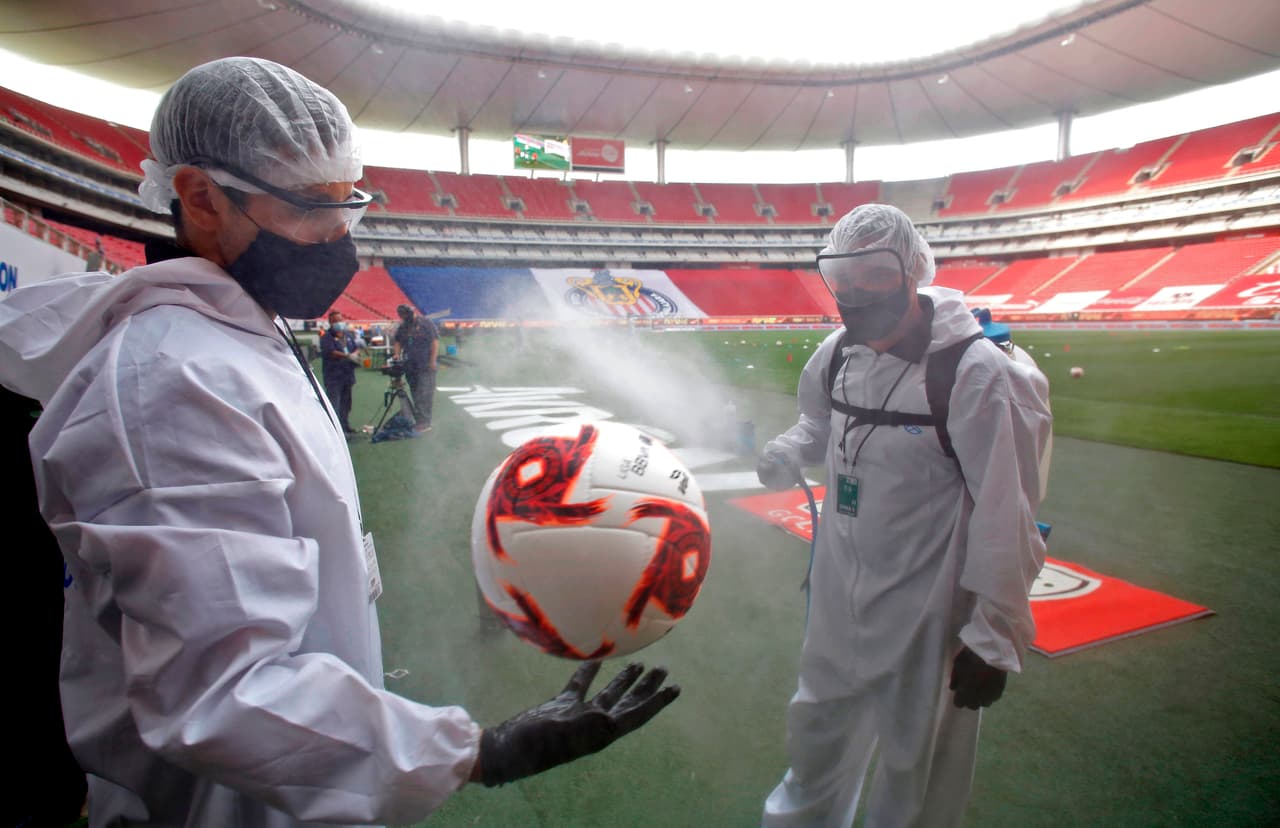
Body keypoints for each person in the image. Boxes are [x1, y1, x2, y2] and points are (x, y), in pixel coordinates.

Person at [0, 56, 677, 827]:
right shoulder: (175, 381)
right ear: (200, 197)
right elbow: (223, 692)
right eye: (307, 209)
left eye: (345, 205)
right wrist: (479, 752)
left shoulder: (238, 332)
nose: (335, 236)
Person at [756, 204, 1051, 828]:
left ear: (911, 275)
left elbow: (1009, 509)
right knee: (816, 730)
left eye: (875, 278)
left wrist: (994, 639)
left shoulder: (973, 374)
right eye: (844, 281)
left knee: (913, 769)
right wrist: (789, 449)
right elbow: (820, 420)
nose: (857, 297)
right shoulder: (838, 352)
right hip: (840, 591)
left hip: (929, 611)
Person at [392, 302, 438, 432]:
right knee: (415, 393)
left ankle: (425, 422)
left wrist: (433, 361)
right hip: (410, 366)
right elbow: (397, 341)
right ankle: (419, 420)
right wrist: (396, 354)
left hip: (426, 365)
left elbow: (435, 341)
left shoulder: (426, 324)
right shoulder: (404, 326)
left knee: (425, 394)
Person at [319, 308, 361, 435]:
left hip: (347, 374)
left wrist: (355, 354)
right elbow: (331, 352)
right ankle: (335, 431)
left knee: (346, 403)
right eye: (336, 321)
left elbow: (356, 348)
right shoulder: (326, 337)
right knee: (334, 404)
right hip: (334, 376)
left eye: (340, 320)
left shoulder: (348, 335)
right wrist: (347, 356)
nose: (339, 323)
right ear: (331, 323)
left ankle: (345, 425)